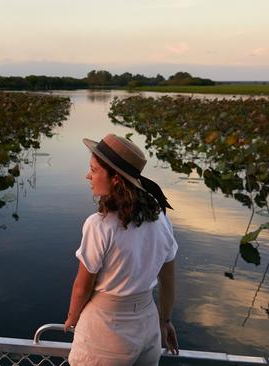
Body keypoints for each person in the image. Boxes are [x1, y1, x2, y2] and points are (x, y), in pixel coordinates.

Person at [64, 133, 179, 366]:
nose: (88, 175)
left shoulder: (99, 226)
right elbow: (168, 279)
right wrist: (165, 321)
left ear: (115, 179)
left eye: (94, 170)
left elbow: (82, 286)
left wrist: (72, 319)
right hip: (148, 330)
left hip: (107, 334)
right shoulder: (162, 222)